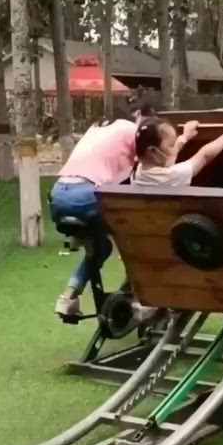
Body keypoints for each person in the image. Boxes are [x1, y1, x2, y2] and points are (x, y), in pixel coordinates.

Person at [50, 102, 156, 319]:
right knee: (136, 237)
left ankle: (68, 297)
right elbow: (148, 168)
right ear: (138, 116)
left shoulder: (96, 128)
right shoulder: (132, 130)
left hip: (59, 195)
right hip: (86, 195)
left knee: (101, 248)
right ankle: (142, 301)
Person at [133, 115, 223, 186]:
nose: (174, 148)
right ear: (152, 151)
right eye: (171, 145)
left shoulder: (139, 171)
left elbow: (170, 153)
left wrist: (185, 137)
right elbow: (204, 156)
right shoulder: (170, 176)